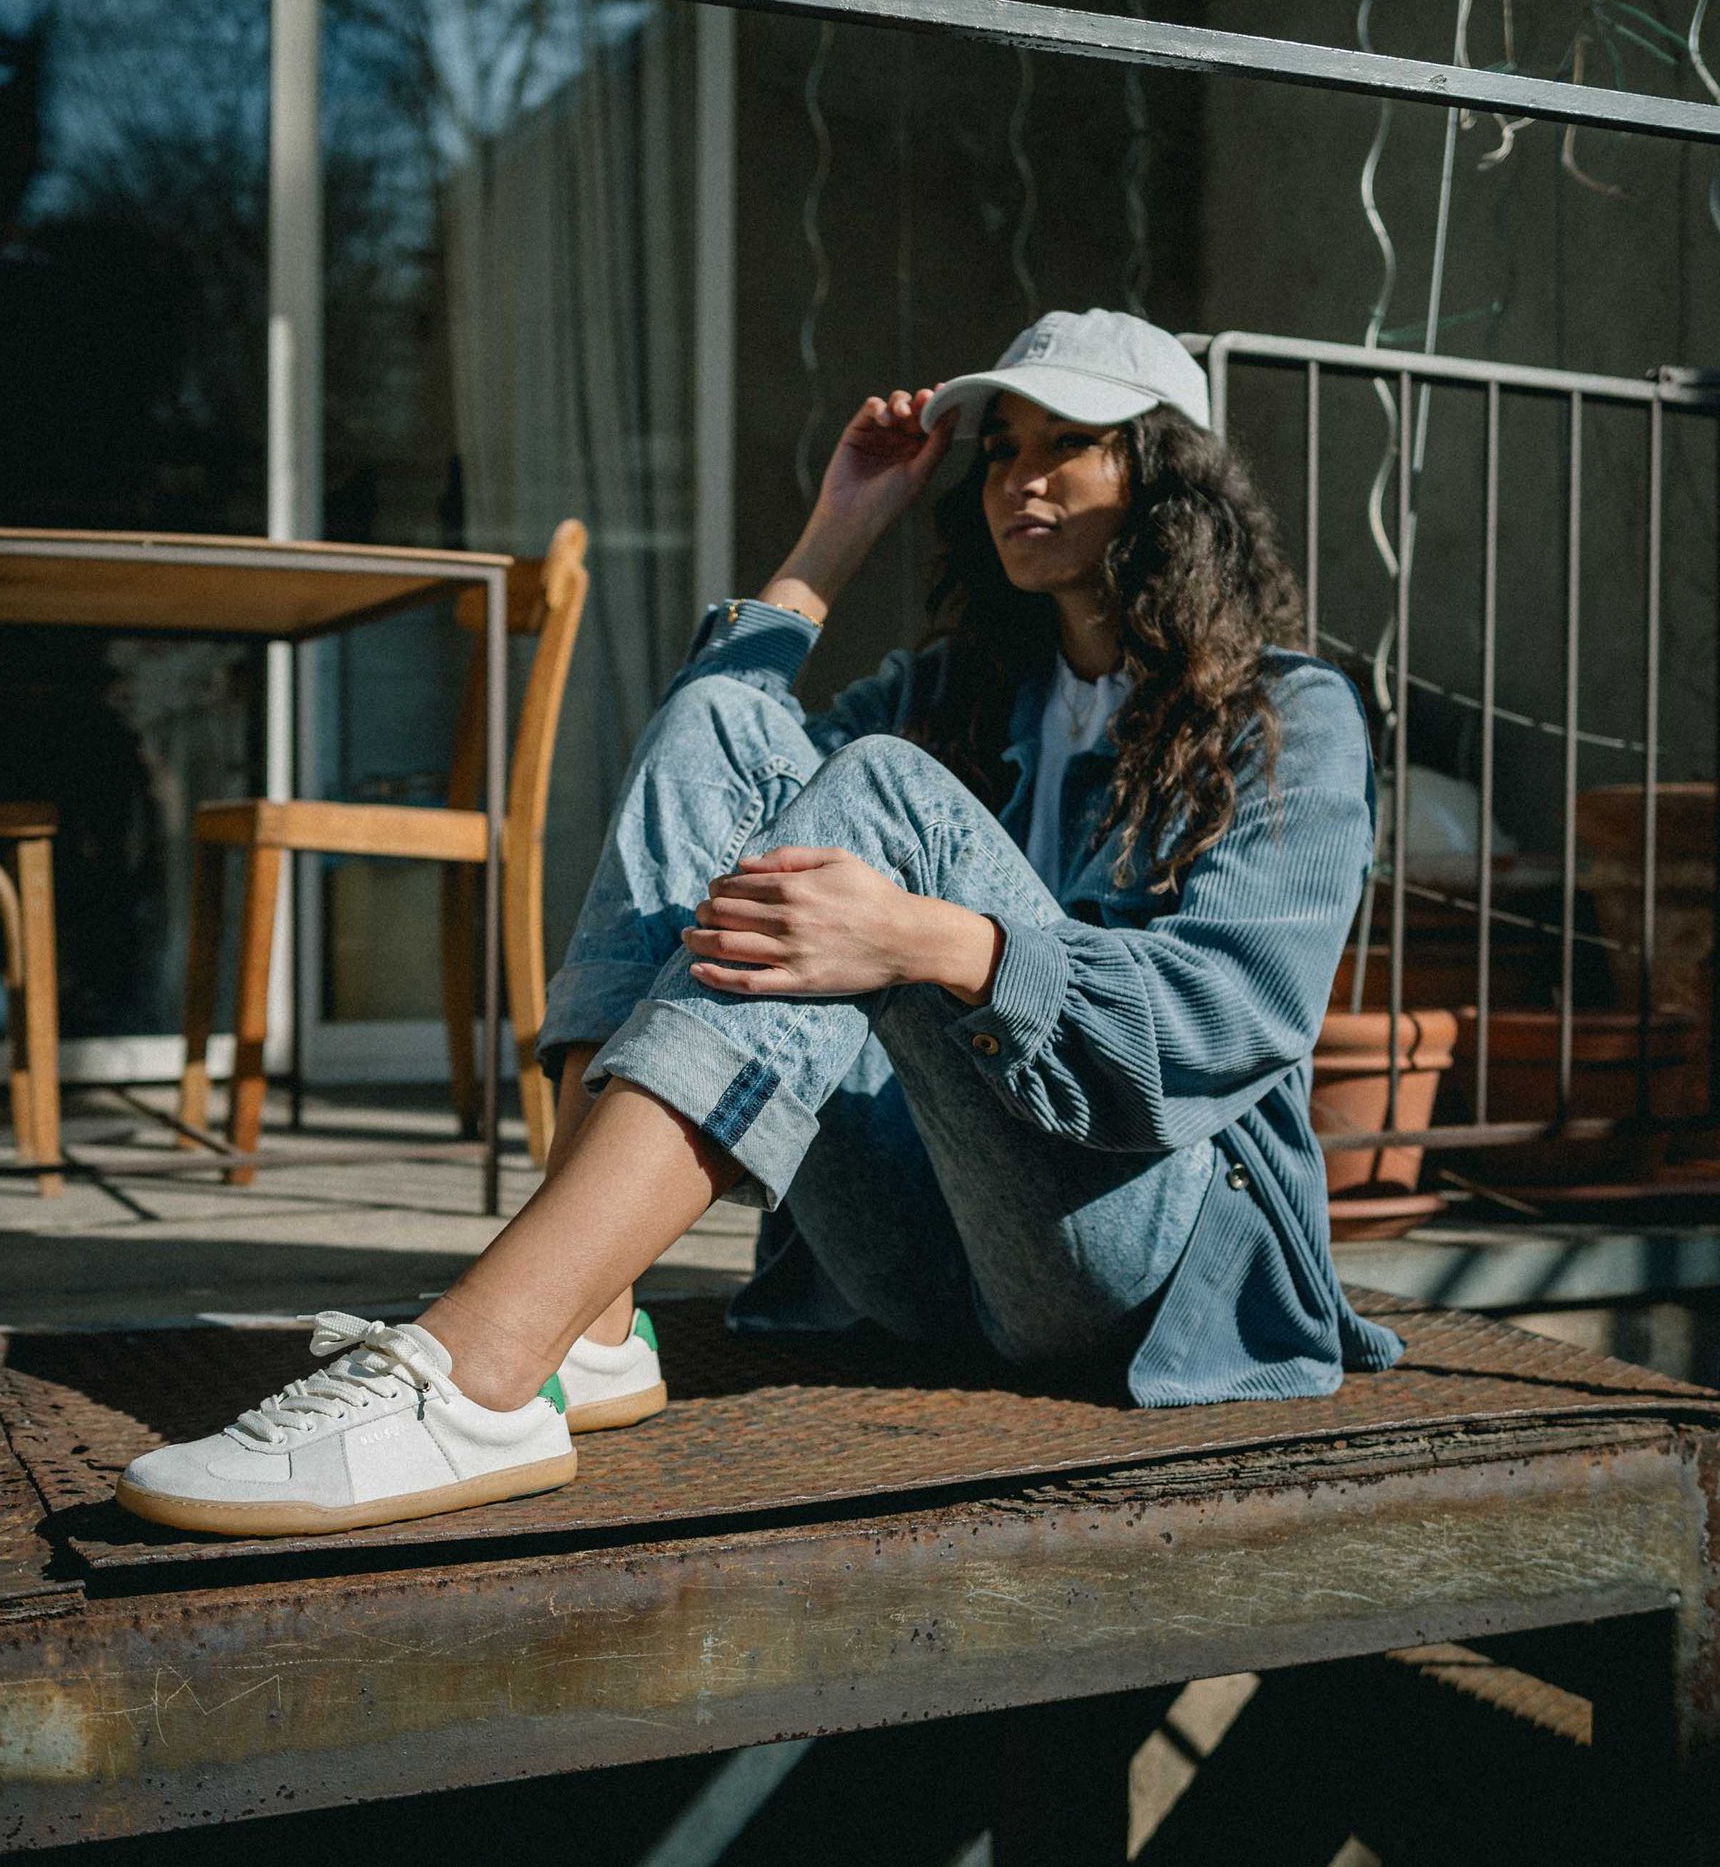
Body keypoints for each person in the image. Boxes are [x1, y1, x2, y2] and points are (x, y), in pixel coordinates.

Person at [119, 309, 1399, 1539]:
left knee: (884, 789)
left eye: (1070, 441)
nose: (1022, 476)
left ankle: (480, 1369)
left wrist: (934, 943)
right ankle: (591, 1318)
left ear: (1169, 477)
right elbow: (720, 790)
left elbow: (1231, 1015)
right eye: (1004, 447)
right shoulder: (958, 689)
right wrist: (832, 535)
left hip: (1131, 1261)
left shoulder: (1290, 716)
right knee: (716, 717)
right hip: (921, 1248)